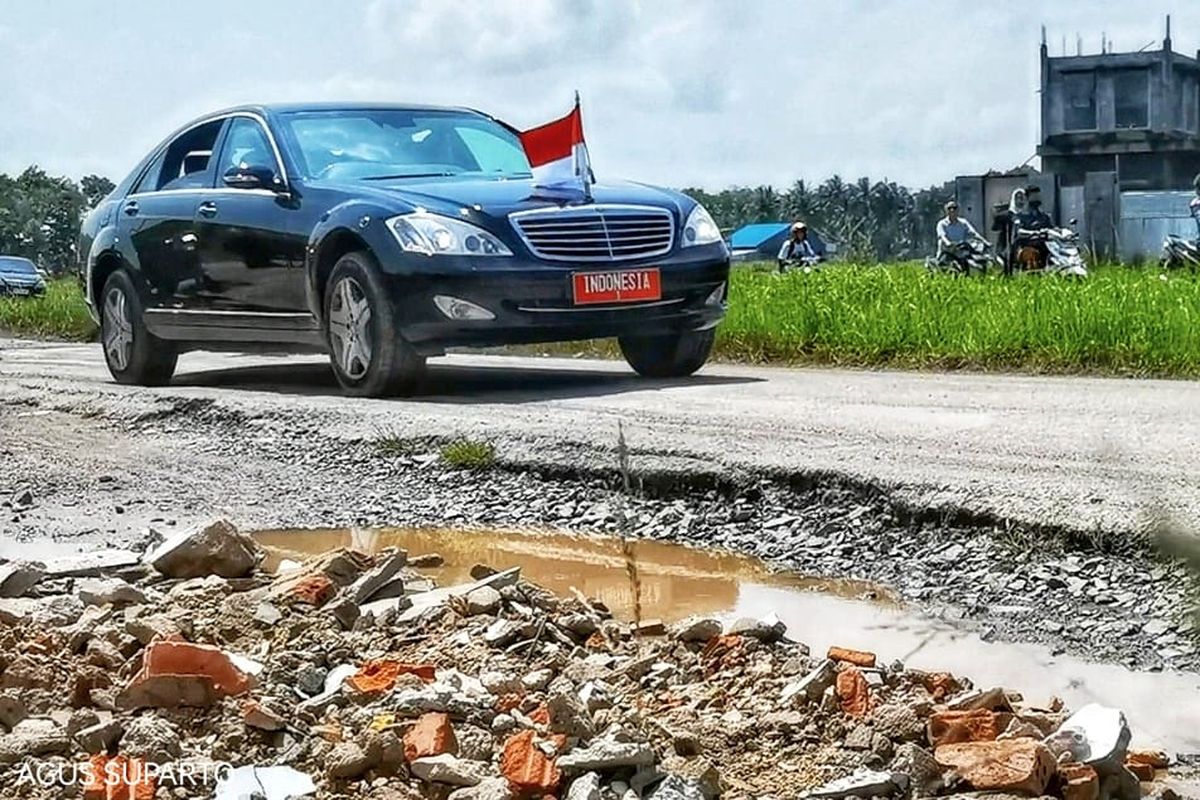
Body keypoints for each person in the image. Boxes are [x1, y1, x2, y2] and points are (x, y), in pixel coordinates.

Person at [935, 200, 986, 269]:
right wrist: (948, 243)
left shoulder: (963, 222)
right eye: (949, 208)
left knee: (976, 258)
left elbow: (973, 233)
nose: (952, 210)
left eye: (954, 208)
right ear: (946, 211)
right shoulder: (942, 224)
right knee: (948, 267)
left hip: (960, 249)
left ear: (958, 210)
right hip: (948, 251)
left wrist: (985, 241)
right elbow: (942, 236)